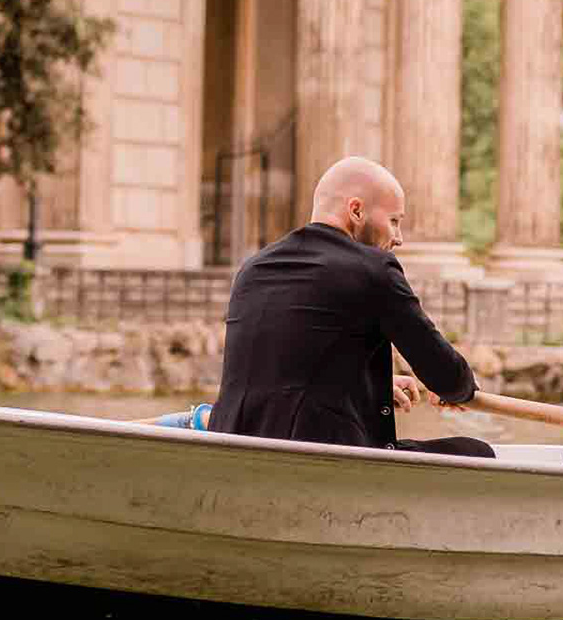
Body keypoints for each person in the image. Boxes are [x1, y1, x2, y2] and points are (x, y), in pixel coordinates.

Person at [208, 156, 494, 458]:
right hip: (319, 459)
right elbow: (445, 376)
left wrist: (370, 387)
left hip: (232, 447)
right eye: (394, 221)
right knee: (478, 452)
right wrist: (459, 389)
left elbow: (283, 366)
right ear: (356, 210)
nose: (398, 238)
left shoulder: (253, 268)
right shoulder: (373, 269)